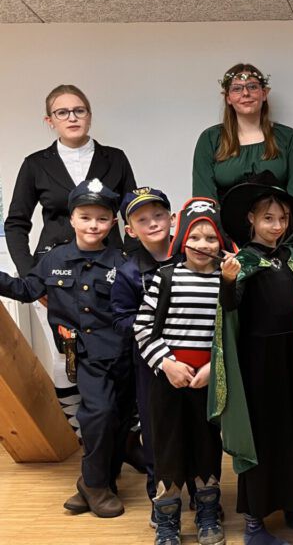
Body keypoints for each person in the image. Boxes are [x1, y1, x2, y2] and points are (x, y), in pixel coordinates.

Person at [5, 84, 138, 437]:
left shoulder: (115, 158)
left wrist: (132, 266)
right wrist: (31, 276)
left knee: (115, 350)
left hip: (107, 270)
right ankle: (84, 436)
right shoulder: (35, 164)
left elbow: (133, 215)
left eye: (79, 110)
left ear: (89, 115)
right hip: (56, 274)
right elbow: (16, 223)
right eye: (62, 112)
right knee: (66, 355)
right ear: (49, 120)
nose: (72, 117)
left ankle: (121, 436)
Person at [0, 179, 134, 518]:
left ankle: (98, 482)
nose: (93, 225)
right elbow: (27, 290)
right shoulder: (53, 259)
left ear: (113, 223)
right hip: (85, 357)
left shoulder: (122, 262)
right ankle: (96, 486)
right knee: (98, 414)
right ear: (72, 218)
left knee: (118, 420)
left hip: (121, 355)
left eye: (101, 219)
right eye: (85, 217)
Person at [213, 172, 293, 545]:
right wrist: (228, 281)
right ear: (252, 219)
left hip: (291, 358)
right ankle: (254, 522)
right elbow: (230, 309)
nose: (277, 226)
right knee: (262, 438)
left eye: (283, 218)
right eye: (269, 218)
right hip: (257, 362)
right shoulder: (242, 261)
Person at [133, 197, 234, 545]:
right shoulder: (166, 278)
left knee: (207, 446)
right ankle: (167, 518)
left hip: (206, 381)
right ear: (181, 239)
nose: (203, 245)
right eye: (195, 237)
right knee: (168, 448)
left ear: (221, 242)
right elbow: (143, 328)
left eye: (211, 238)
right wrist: (167, 364)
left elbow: (230, 334)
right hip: (168, 382)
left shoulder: (225, 282)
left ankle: (207, 512)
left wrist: (213, 368)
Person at [192, 63, 293, 253]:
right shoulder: (210, 139)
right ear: (228, 98)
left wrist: (277, 240)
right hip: (227, 244)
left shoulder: (288, 138)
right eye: (237, 88)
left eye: (252, 86)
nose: (246, 93)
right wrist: (225, 243)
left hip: (281, 241)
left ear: (264, 93)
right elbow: (205, 198)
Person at [111, 187, 177, 515]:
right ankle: (160, 495)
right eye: (142, 219)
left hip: (194, 357)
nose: (152, 223)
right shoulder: (129, 272)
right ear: (130, 230)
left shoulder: (192, 256)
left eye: (158, 215)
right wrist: (151, 328)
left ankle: (201, 492)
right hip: (151, 365)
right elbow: (121, 319)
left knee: (198, 427)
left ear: (172, 218)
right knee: (155, 430)